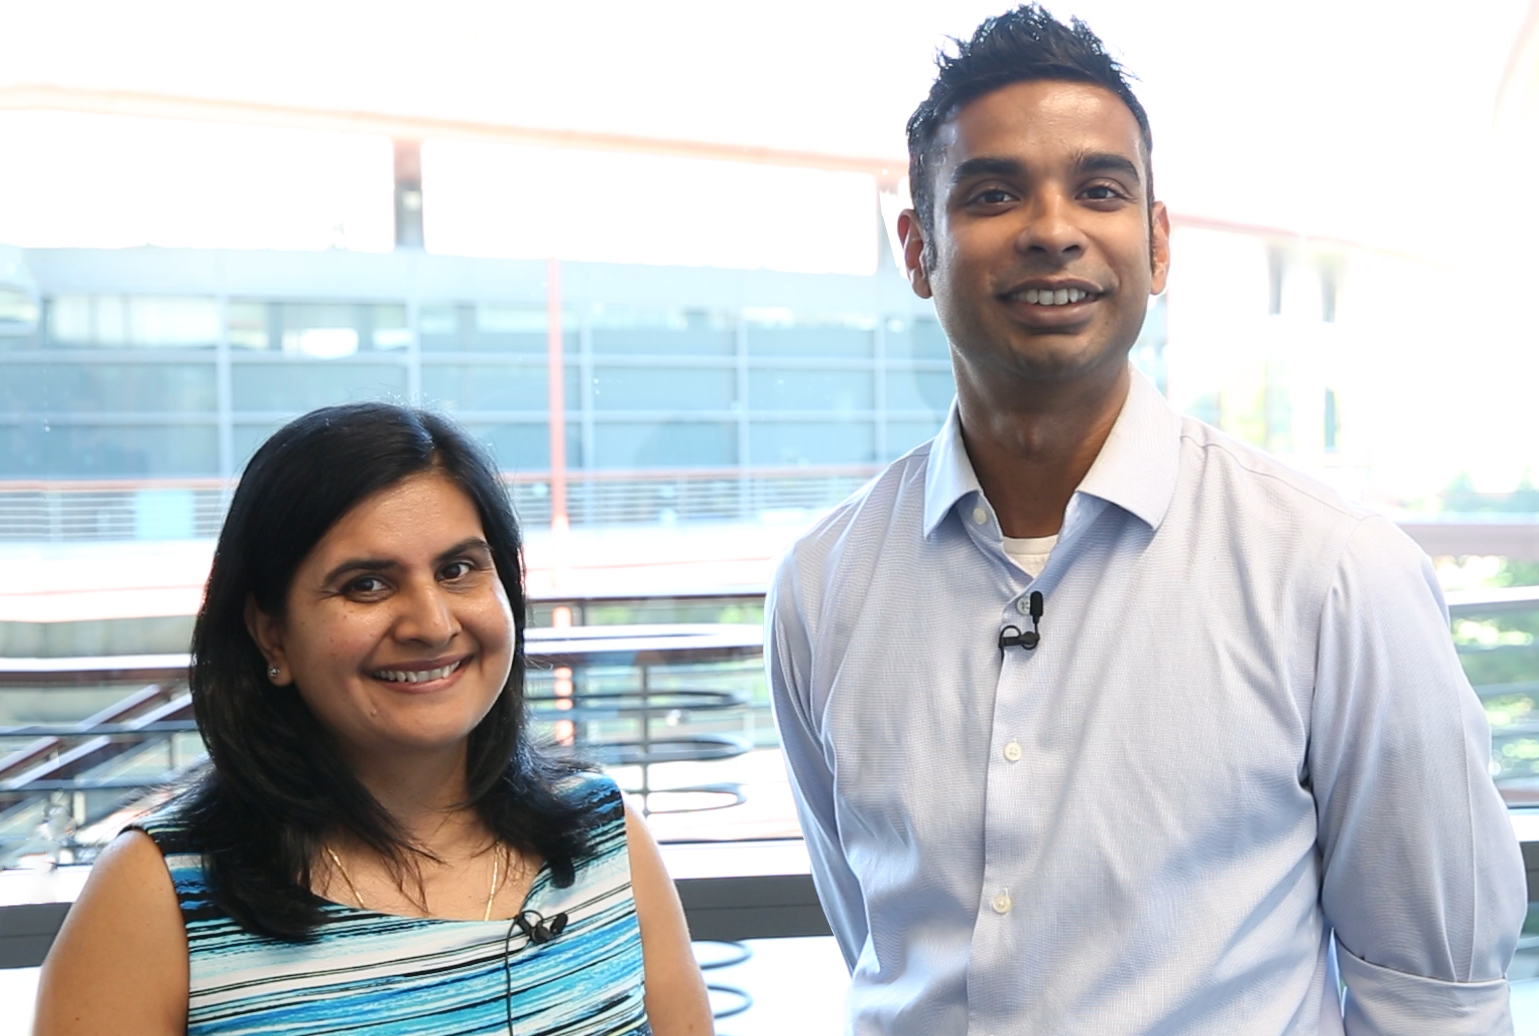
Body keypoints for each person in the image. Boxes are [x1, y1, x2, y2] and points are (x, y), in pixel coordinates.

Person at [767, 6, 1527, 1034]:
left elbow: (1434, 999)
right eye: (992, 193)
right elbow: (872, 934)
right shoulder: (822, 583)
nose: (1051, 226)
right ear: (918, 248)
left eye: (1100, 189)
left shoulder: (1336, 572)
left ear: (1157, 245)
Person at [34, 403, 712, 1035]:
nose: (431, 624)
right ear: (272, 636)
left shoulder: (601, 834)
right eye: (367, 584)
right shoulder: (159, 893)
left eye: (458, 569)